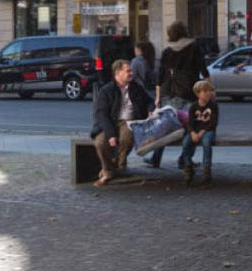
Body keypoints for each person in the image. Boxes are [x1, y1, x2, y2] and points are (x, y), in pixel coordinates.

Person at [148, 22, 210, 169]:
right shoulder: (194, 48)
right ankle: (185, 159)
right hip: (189, 93)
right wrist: (209, 89)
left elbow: (160, 76)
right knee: (192, 127)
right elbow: (204, 71)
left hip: (168, 93)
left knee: (165, 127)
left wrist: (158, 97)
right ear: (185, 32)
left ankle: (155, 159)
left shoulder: (167, 51)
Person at [90, 59, 152, 185]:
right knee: (100, 143)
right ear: (118, 73)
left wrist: (151, 109)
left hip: (129, 121)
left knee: (127, 138)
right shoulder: (106, 90)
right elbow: (101, 114)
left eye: (131, 71)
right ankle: (108, 170)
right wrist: (111, 134)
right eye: (128, 71)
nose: (131, 73)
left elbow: (149, 100)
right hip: (111, 122)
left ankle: (118, 167)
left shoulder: (136, 87)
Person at [180, 79, 220, 186]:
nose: (208, 93)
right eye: (205, 91)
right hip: (195, 131)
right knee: (185, 143)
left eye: (209, 91)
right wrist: (193, 133)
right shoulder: (193, 106)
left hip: (208, 130)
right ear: (198, 94)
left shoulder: (213, 105)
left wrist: (203, 131)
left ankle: (206, 172)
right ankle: (188, 168)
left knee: (206, 143)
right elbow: (189, 123)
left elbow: (213, 122)